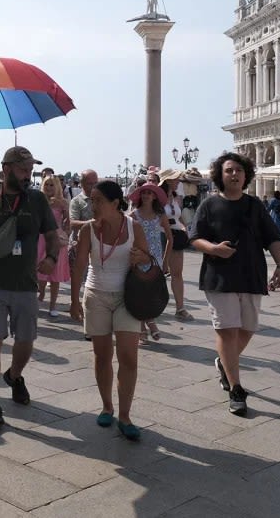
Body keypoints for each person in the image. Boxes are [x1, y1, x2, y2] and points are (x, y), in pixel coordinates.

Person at [0, 146, 58, 433]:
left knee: (25, 341)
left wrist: (51, 258)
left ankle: (15, 375)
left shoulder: (37, 199)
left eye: (30, 170)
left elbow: (52, 234)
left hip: (26, 283)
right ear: (6, 169)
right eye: (22, 169)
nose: (28, 175)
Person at [189, 152, 280, 417]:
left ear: (246, 175)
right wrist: (213, 248)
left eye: (238, 171)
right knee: (227, 331)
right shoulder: (209, 205)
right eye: (229, 170)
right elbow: (195, 238)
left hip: (251, 274)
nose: (234, 174)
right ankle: (236, 388)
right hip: (219, 277)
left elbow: (273, 238)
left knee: (248, 328)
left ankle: (225, 362)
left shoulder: (255, 205)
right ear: (220, 176)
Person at [70, 179, 151, 440]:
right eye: (91, 200)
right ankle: (107, 406)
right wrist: (74, 299)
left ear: (115, 203)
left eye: (98, 201)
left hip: (128, 296)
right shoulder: (88, 231)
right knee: (102, 356)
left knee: (129, 357)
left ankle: (125, 415)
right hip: (96, 296)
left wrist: (143, 259)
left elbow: (148, 260)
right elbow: (80, 266)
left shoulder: (134, 227)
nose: (93, 206)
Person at [129, 182, 172, 343]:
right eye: (144, 192)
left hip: (156, 260)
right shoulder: (134, 215)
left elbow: (170, 238)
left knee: (152, 294)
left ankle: (150, 321)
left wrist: (166, 261)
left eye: (149, 193)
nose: (146, 195)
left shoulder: (160, 216)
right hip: (139, 258)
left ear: (154, 196)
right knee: (140, 293)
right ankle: (144, 324)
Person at [36, 175, 71, 317]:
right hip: (40, 238)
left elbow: (69, 222)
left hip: (56, 239)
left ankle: (53, 305)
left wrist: (65, 234)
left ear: (57, 187)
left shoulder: (62, 202)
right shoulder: (38, 200)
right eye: (47, 184)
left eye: (52, 185)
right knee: (39, 270)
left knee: (55, 274)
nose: (49, 187)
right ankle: (41, 292)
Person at [161, 180, 194, 321]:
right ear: (167, 180)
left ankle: (180, 308)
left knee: (177, 273)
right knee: (158, 273)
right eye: (175, 179)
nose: (178, 181)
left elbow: (177, 215)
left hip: (176, 236)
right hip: (161, 236)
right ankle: (152, 309)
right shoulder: (158, 197)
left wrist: (185, 227)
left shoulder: (174, 197)